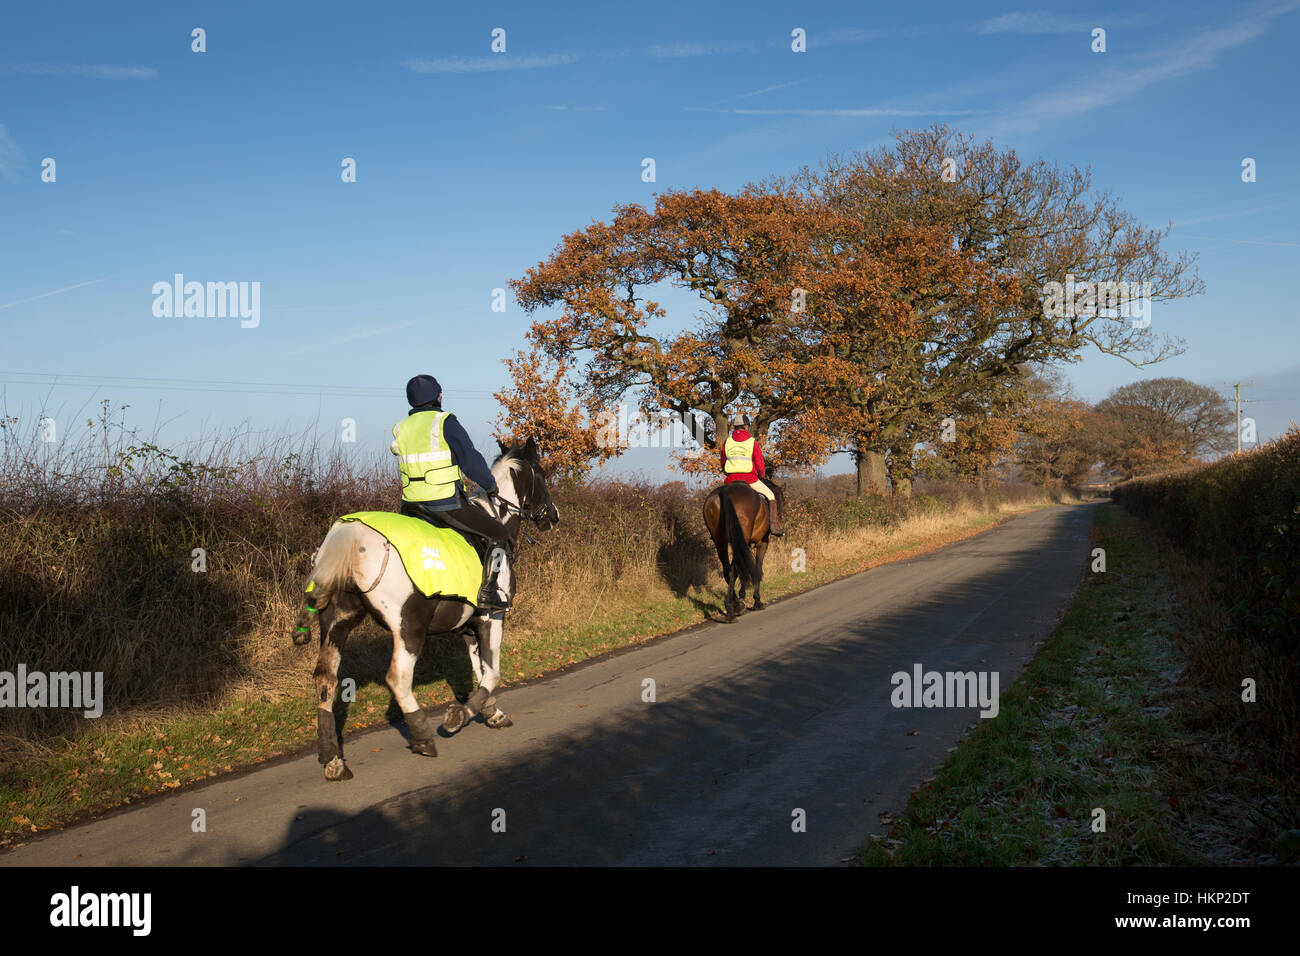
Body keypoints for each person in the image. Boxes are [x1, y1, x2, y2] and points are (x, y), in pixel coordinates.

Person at [391, 374, 513, 610]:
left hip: (411, 505)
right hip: (445, 503)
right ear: (438, 397)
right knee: (499, 534)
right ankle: (489, 592)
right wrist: (489, 484)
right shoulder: (445, 422)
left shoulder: (401, 428)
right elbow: (471, 461)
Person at [721, 417, 785, 536]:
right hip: (749, 479)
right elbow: (759, 463)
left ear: (734, 428)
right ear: (746, 427)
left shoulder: (727, 442)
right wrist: (761, 475)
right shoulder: (752, 442)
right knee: (771, 496)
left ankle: (718, 530)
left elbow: (723, 462)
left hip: (730, 480)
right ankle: (775, 526)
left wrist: (729, 473)